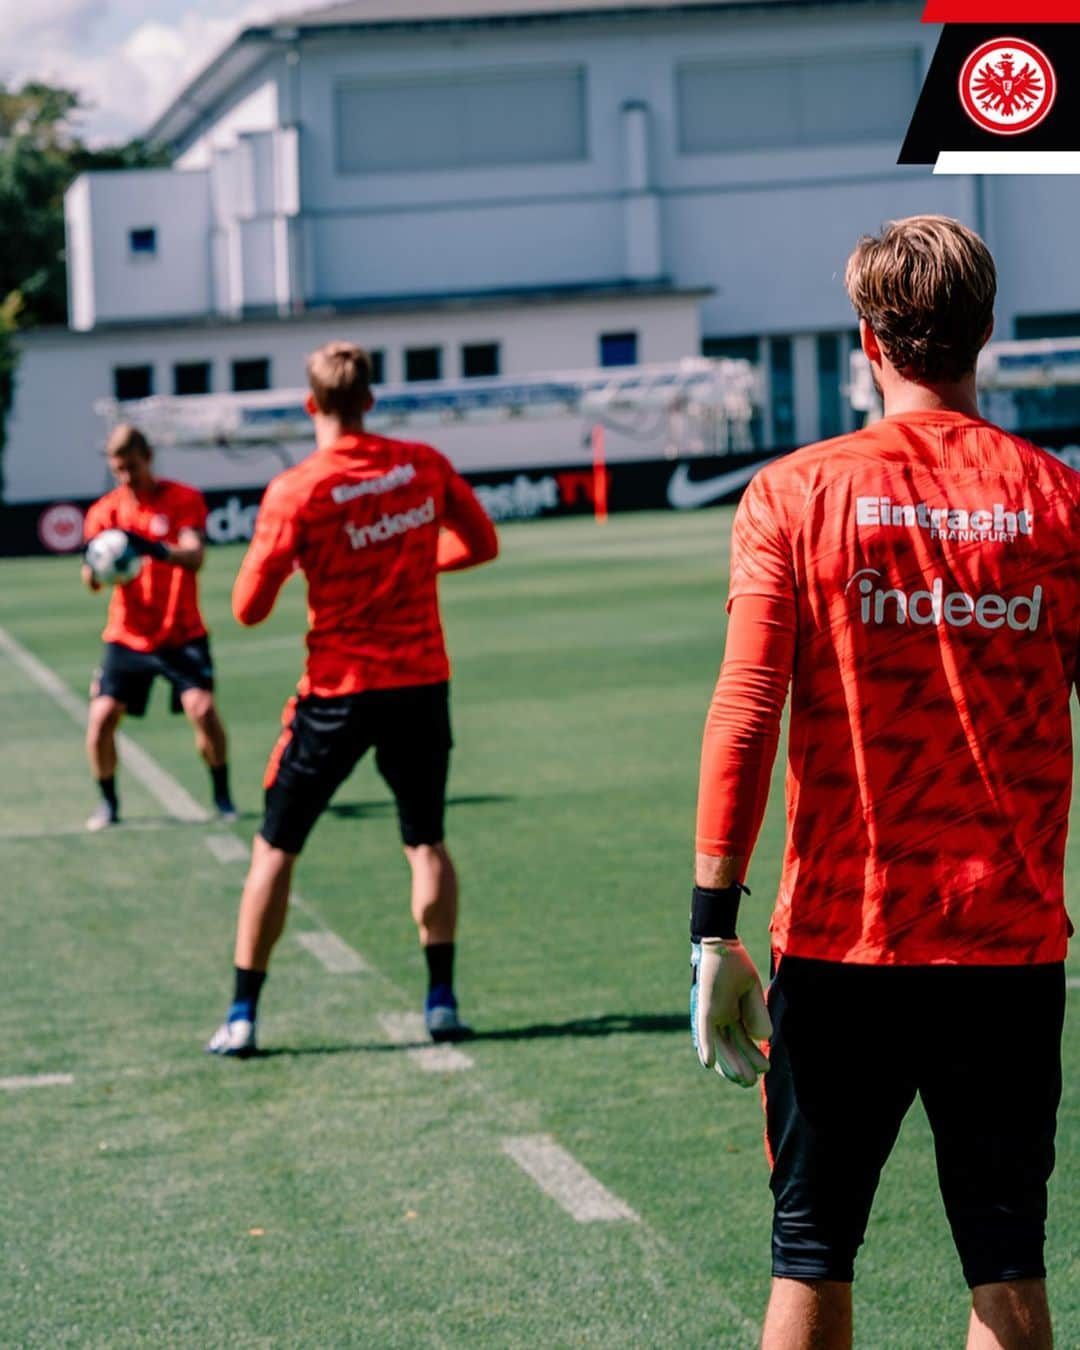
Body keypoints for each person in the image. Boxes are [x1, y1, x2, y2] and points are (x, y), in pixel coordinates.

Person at [689, 216, 1075, 1350]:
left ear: (865, 338)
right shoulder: (1058, 500)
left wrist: (713, 927)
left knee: (810, 1249)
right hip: (1008, 947)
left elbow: (747, 709)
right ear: (987, 334)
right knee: (1008, 1264)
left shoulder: (794, 493)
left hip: (843, 946)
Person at [207, 340, 499, 1058]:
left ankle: (243, 1014)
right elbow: (481, 543)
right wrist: (411, 564)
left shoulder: (296, 490)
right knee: (425, 842)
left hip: (337, 693)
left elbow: (247, 608)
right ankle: (441, 1002)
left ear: (311, 405)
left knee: (274, 849)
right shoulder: (422, 465)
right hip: (421, 686)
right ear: (371, 399)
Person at [82, 424, 236, 830]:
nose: (127, 477)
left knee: (202, 711)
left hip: (181, 631)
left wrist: (153, 549)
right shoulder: (104, 513)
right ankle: (108, 804)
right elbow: (91, 579)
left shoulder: (183, 499)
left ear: (148, 458)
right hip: (128, 635)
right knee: (100, 719)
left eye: (132, 466)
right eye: (118, 470)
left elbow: (195, 556)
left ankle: (222, 795)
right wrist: (100, 570)